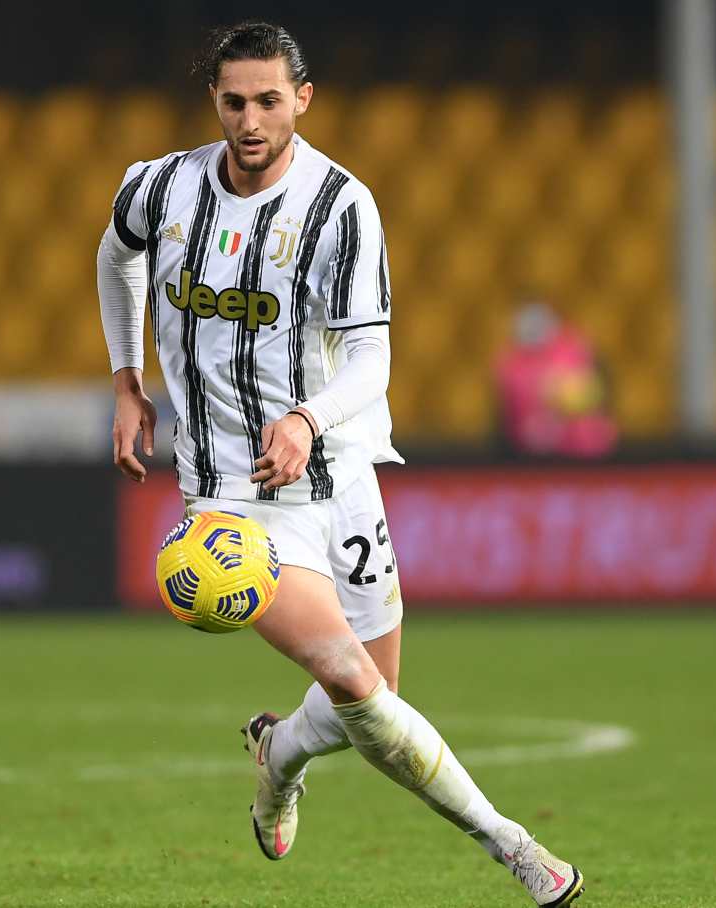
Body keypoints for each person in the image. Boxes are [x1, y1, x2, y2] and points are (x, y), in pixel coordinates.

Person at [96, 21, 583, 907]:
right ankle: (515, 847)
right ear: (216, 98)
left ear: (302, 100)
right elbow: (117, 249)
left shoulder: (340, 205)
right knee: (357, 685)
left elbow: (372, 359)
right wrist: (127, 377)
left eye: (269, 101)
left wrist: (306, 420)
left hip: (341, 475)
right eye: (235, 101)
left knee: (376, 705)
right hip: (232, 501)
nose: (251, 121)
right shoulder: (162, 187)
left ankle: (278, 754)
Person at [495, 301, 617, 458]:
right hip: (528, 455)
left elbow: (598, 394)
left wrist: (563, 401)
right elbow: (507, 417)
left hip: (585, 451)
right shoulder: (508, 364)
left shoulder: (575, 349)